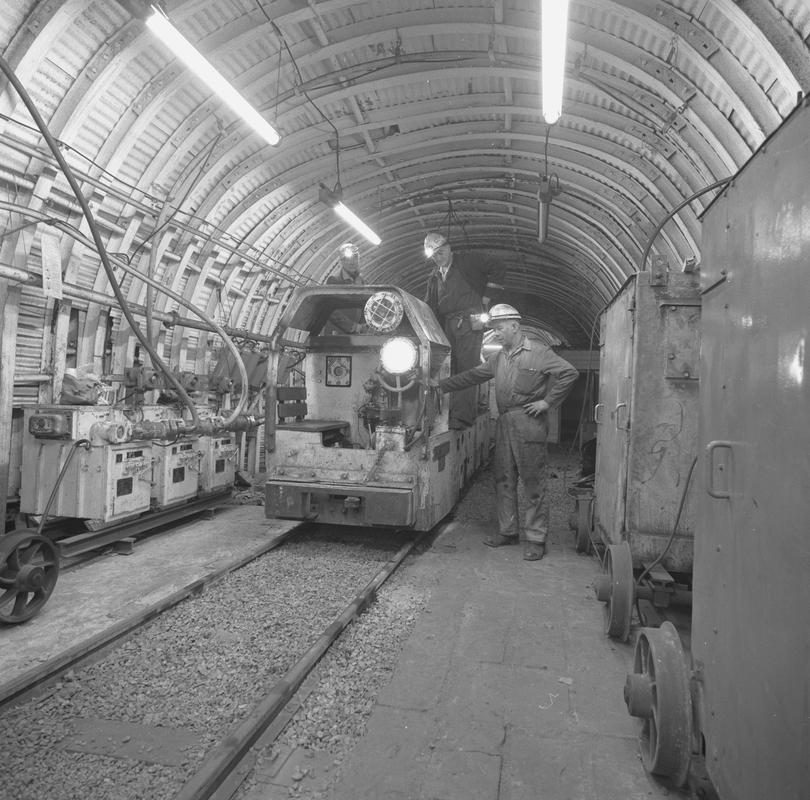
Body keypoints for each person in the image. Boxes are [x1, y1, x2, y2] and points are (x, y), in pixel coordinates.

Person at [438, 304, 579, 561]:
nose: (497, 333)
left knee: (533, 482)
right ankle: (508, 531)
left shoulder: (539, 352)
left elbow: (569, 373)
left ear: (515, 326)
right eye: (494, 329)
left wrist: (547, 402)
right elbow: (471, 377)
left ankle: (537, 539)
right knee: (503, 479)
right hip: (504, 422)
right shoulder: (498, 358)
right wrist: (439, 385)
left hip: (529, 422)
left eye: (500, 328)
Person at [423, 232, 506, 429]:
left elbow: (498, 266)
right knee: (444, 367)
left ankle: (461, 417)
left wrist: (487, 297)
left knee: (466, 367)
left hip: (469, 322)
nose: (438, 257)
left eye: (441, 252)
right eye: (434, 255)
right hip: (446, 325)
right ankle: (442, 413)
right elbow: (428, 305)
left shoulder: (468, 261)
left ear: (449, 248)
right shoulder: (434, 276)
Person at [324, 242, 364, 334]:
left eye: (355, 258)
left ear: (358, 260)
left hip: (355, 335)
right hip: (337, 334)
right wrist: (353, 326)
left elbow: (363, 305)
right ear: (341, 261)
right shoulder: (334, 280)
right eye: (346, 259)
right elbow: (330, 310)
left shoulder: (360, 281)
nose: (351, 262)